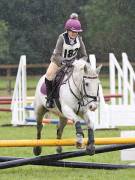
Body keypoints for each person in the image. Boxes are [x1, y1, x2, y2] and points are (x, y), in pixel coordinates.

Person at [45, 13, 88, 108]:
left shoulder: (79, 39)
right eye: (72, 31)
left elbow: (85, 56)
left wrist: (79, 62)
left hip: (73, 63)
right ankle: (50, 99)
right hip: (58, 61)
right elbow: (56, 55)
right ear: (67, 30)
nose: (74, 34)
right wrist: (64, 61)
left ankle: (84, 98)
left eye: (76, 32)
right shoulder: (62, 38)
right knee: (49, 75)